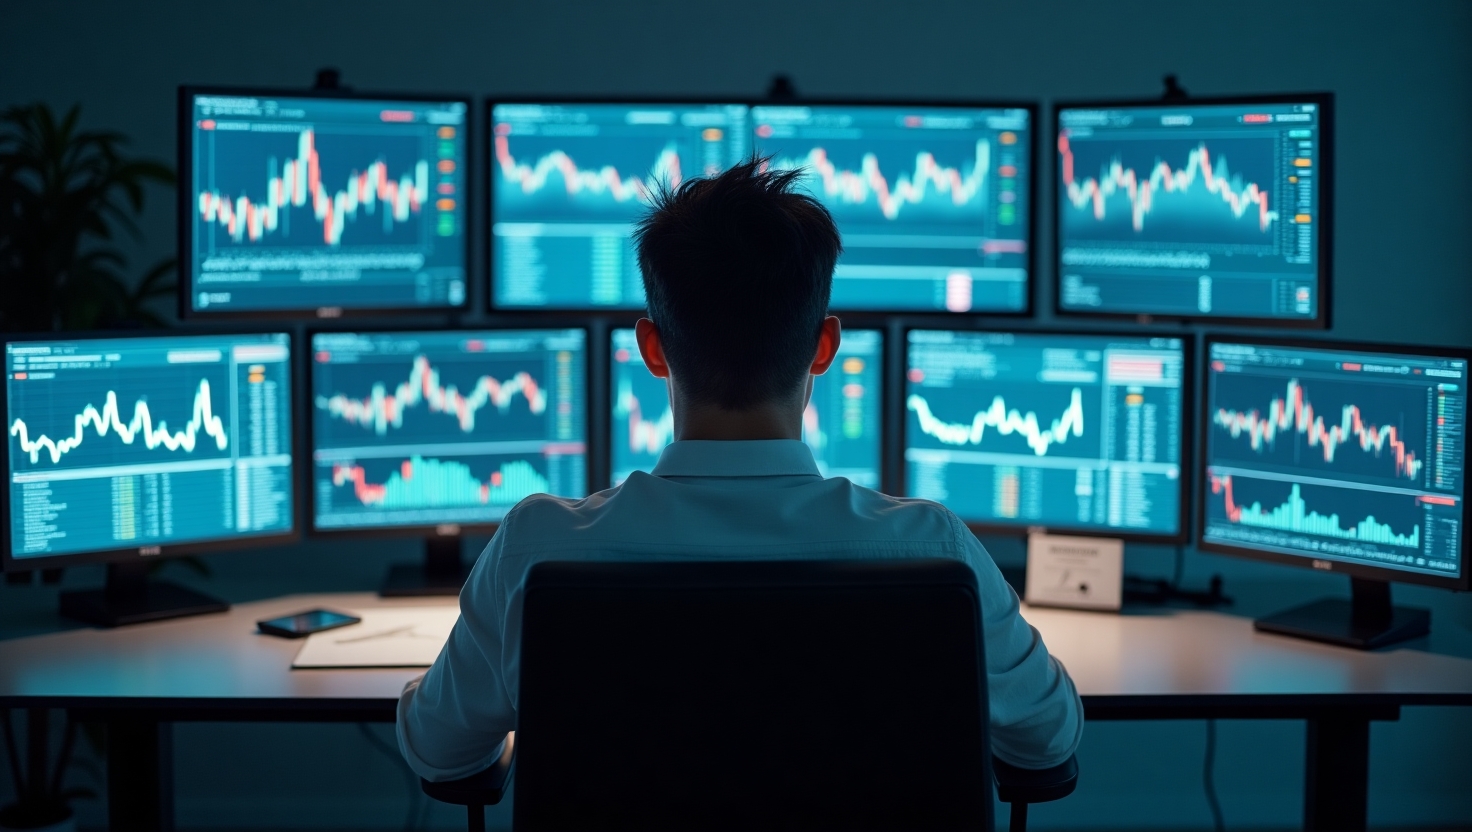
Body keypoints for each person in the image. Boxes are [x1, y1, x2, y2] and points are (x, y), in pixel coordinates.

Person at [397, 159, 1083, 780]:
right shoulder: (932, 550)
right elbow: (1048, 740)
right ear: (825, 346)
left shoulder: (535, 549)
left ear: (652, 348)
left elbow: (438, 751)